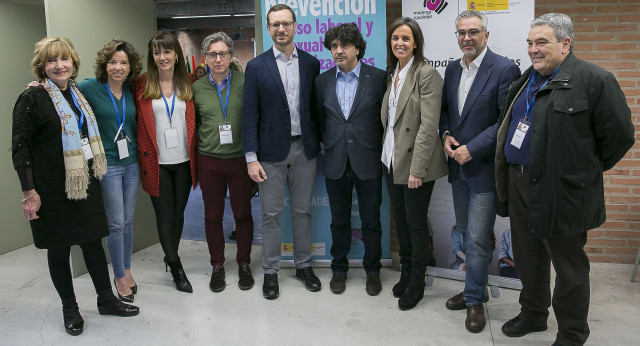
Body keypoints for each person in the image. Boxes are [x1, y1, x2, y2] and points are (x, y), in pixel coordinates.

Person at [495, 13, 635, 346]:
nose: (533, 50)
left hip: (563, 191)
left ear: (565, 44)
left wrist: (579, 173)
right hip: (519, 183)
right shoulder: (526, 79)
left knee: (569, 268)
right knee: (528, 258)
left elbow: (619, 137)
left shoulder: (594, 80)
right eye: (529, 43)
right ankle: (533, 315)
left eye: (541, 42)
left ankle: (572, 334)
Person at [12, 36, 139, 336]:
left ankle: (106, 300)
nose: (59, 65)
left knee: (92, 242)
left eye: (64, 59)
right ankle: (70, 309)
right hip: (51, 190)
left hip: (84, 183)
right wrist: (29, 192)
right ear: (42, 66)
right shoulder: (31, 99)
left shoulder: (78, 95)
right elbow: (21, 149)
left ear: (73, 63)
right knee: (59, 249)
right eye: (52, 61)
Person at [438, 10, 521, 333]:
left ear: (486, 35)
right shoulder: (453, 69)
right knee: (466, 234)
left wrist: (472, 149)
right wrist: (445, 136)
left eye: (473, 32)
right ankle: (476, 287)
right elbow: (446, 111)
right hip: (457, 171)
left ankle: (474, 301)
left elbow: (506, 121)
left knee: (475, 238)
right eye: (461, 33)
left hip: (484, 169)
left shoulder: (504, 69)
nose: (467, 38)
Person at [242, 4, 321, 300]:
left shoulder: (312, 64)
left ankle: (303, 266)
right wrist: (251, 158)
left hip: (305, 150)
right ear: (268, 28)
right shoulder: (257, 66)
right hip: (269, 155)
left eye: (285, 24)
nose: (281, 29)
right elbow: (249, 115)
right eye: (275, 25)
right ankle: (271, 272)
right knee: (271, 215)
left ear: (295, 26)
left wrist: (321, 144)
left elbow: (316, 110)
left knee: (302, 211)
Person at [314, 23, 387, 296]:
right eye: (334, 46)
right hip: (335, 159)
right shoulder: (321, 82)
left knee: (371, 221)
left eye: (344, 45)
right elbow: (321, 119)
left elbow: (384, 121)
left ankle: (372, 270)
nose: (338, 51)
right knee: (339, 220)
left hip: (368, 158)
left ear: (358, 48)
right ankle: (339, 269)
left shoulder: (378, 78)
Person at [381, 17, 448, 311]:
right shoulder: (392, 72)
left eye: (406, 38)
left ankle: (417, 282)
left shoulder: (427, 74)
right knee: (402, 222)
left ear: (416, 42)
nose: (400, 43)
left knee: (416, 223)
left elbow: (428, 125)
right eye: (395, 38)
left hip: (415, 164)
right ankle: (406, 272)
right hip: (391, 159)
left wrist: (417, 169)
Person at [76, 39, 142, 303]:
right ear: (105, 64)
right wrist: (39, 86)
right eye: (113, 62)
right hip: (109, 165)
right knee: (115, 224)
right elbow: (61, 94)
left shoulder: (131, 89)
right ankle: (118, 275)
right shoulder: (89, 87)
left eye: (123, 63)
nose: (118, 67)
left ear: (130, 67)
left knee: (127, 220)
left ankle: (126, 268)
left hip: (132, 162)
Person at [133, 30, 197, 293]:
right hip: (156, 162)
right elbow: (108, 85)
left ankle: (171, 255)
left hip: (183, 161)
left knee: (179, 214)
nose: (162, 57)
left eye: (167, 51)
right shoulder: (140, 84)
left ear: (177, 55)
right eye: (157, 52)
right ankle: (175, 264)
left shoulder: (189, 82)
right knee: (164, 215)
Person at [193, 32, 255, 293]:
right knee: (212, 216)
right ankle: (217, 265)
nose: (217, 59)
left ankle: (243, 264)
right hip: (209, 160)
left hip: (240, 159)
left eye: (222, 54)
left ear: (231, 56)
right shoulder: (196, 88)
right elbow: (193, 125)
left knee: (243, 215)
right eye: (212, 54)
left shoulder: (246, 82)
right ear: (205, 58)